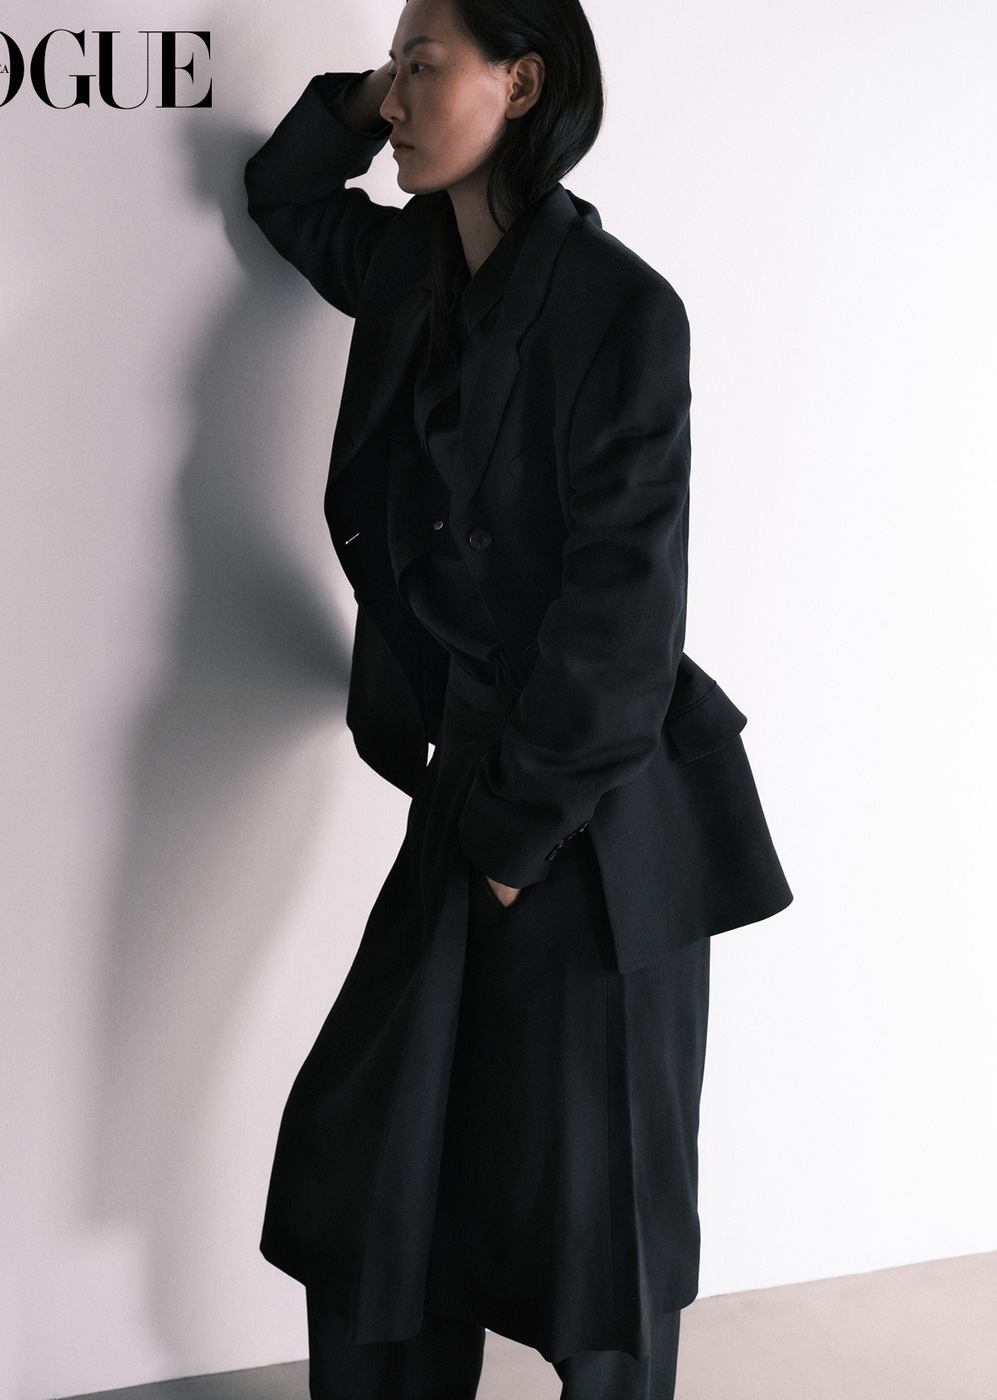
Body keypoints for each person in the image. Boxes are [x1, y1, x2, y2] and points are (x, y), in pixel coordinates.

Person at [243, 0, 792, 1395]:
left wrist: (510, 842)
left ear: (523, 82)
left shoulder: (624, 312)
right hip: (474, 774)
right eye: (396, 65)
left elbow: (625, 617)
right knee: (379, 1175)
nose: (397, 95)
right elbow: (284, 190)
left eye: (426, 62)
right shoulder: (410, 269)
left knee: (594, 1226)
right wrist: (376, 87)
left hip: (600, 809)